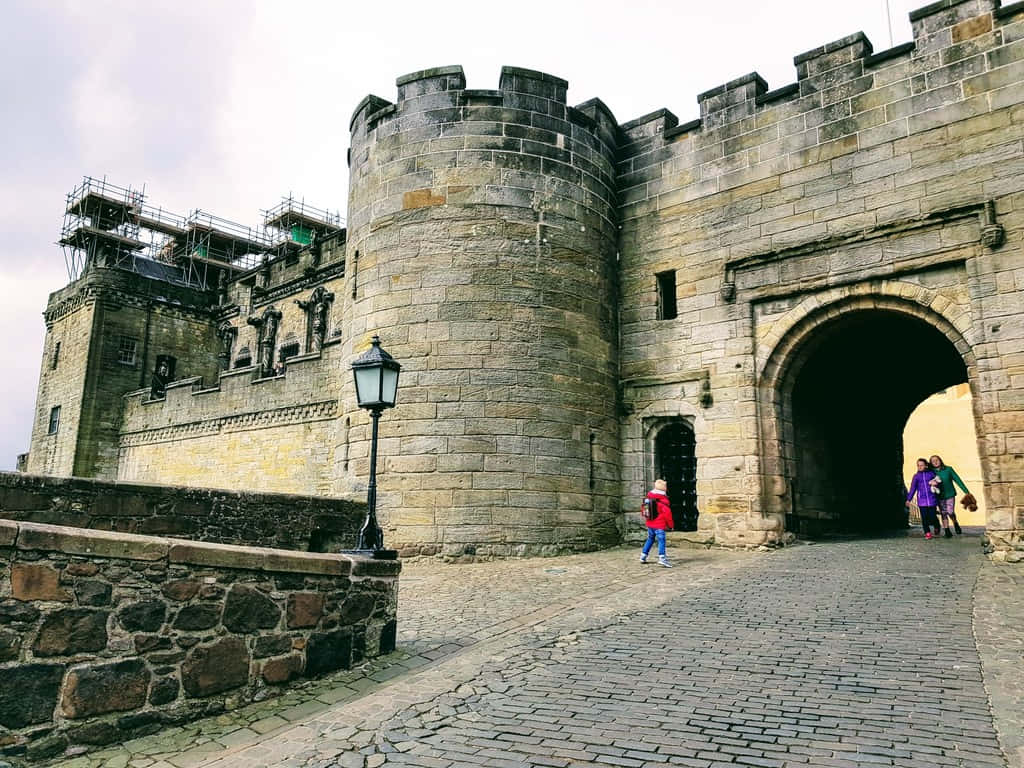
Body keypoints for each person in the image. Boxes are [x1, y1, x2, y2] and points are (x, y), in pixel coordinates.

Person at [929, 455, 968, 537]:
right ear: (931, 463)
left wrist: (966, 491)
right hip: (939, 495)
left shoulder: (948, 469)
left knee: (950, 512)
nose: (935, 462)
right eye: (933, 461)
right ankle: (947, 530)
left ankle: (955, 522)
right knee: (943, 513)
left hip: (950, 494)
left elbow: (957, 479)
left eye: (937, 460)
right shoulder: (931, 472)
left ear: (940, 460)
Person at [641, 478, 674, 567]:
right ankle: (662, 558)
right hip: (659, 525)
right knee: (661, 540)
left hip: (650, 524)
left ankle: (643, 556)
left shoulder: (649, 498)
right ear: (664, 489)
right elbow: (668, 515)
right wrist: (671, 525)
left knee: (650, 539)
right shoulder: (663, 500)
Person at [906, 458, 941, 539]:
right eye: (918, 465)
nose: (919, 467)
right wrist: (908, 499)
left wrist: (935, 483)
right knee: (924, 518)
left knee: (932, 516)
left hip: (932, 499)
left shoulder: (931, 474)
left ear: (926, 466)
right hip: (922, 500)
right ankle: (927, 533)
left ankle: (937, 525)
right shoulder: (916, 476)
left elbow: (938, 482)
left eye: (921, 465)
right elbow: (913, 488)